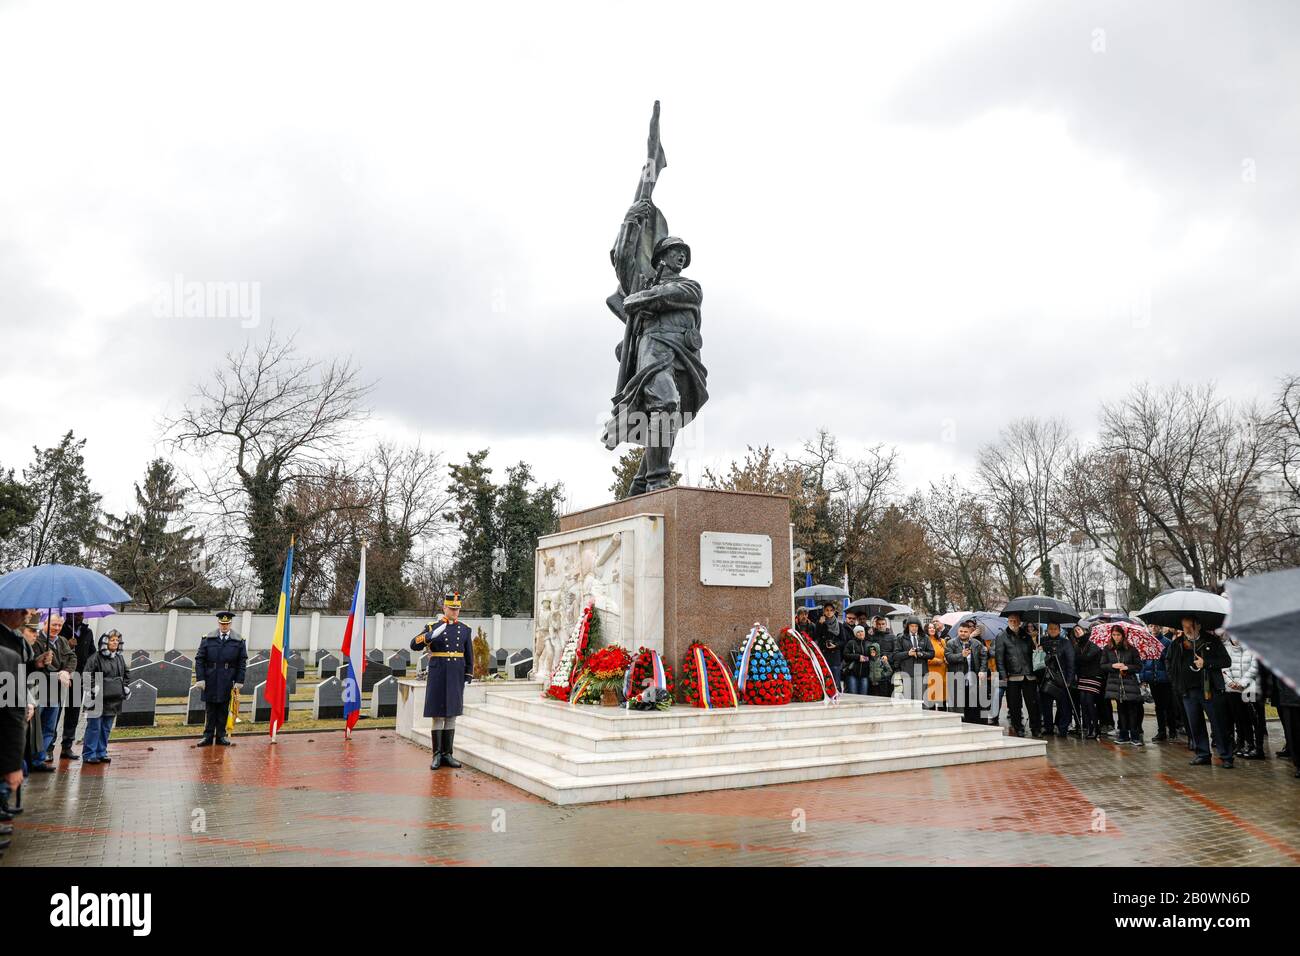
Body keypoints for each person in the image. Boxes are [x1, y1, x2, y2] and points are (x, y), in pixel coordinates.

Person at [411, 592, 474, 769]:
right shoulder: (432, 627)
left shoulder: (465, 629)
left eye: (457, 609)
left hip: (456, 674)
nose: (455, 612)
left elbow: (469, 653)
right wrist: (429, 636)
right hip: (438, 673)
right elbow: (414, 644)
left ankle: (448, 754)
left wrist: (468, 674)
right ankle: (437, 755)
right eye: (452, 608)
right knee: (438, 714)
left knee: (451, 714)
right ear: (444, 608)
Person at [1164, 617, 1233, 768]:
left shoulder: (1212, 641)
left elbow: (1226, 661)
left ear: (1199, 626)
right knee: (1195, 724)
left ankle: (1226, 755)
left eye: (1191, 626)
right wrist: (1176, 681)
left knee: (1218, 724)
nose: (1188, 629)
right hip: (1188, 691)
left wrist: (1206, 663)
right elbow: (1169, 663)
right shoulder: (1177, 643)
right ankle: (1202, 753)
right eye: (1185, 626)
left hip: (1210, 690)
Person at [0, 607, 33, 842]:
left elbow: (12, 714)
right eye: (21, 610)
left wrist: (12, 765)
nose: (26, 615)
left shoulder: (8, 654)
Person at [193, 610, 247, 747]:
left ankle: (221, 736)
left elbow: (242, 662)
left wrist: (239, 680)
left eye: (227, 624)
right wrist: (200, 678)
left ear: (230, 624)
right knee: (210, 709)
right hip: (210, 678)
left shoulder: (238, 640)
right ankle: (208, 736)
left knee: (223, 708)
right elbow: (199, 659)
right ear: (218, 623)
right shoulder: (208, 638)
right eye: (222, 624)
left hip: (227, 678)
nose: (224, 626)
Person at [81, 629, 130, 765]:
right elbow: (86, 674)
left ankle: (101, 752)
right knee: (94, 727)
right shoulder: (95, 657)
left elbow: (126, 673)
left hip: (113, 699)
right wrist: (92, 688)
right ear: (105, 641)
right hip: (96, 698)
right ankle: (89, 754)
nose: (115, 642)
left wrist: (125, 686)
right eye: (112, 640)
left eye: (117, 640)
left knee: (106, 727)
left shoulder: (119, 658)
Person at [34, 613, 75, 768]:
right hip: (39, 692)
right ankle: (28, 760)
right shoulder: (37, 641)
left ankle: (39, 760)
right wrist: (56, 674)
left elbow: (73, 658)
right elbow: (36, 666)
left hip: (56, 693)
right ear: (45, 623)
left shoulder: (63, 641)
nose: (56, 628)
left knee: (49, 729)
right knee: (35, 728)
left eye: (59, 625)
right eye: (54, 624)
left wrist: (66, 672)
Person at [995, 612, 1042, 737]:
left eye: (1016, 620)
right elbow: (999, 657)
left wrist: (1035, 642)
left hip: (1029, 674)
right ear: (1008, 621)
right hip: (1012, 675)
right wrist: (1003, 673)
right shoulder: (1001, 636)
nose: (1013, 622)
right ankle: (1018, 728)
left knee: (1032, 704)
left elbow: (1033, 652)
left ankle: (1035, 728)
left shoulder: (1026, 636)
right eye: (1011, 620)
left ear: (1020, 622)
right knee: (1014, 705)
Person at [57, 612, 94, 761]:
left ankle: (67, 746)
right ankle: (49, 747)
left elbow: (92, 653)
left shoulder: (87, 632)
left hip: (79, 675)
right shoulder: (60, 630)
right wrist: (67, 643)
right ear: (69, 615)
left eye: (81, 614)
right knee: (56, 709)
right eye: (76, 614)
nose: (80, 617)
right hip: (61, 675)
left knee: (73, 711)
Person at [1102, 624, 1144, 745]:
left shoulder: (1131, 649)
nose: (1116, 637)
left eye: (1118, 635)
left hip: (1129, 683)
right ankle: (1123, 734)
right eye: (1114, 635)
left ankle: (1135, 736)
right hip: (1115, 684)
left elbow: (1138, 666)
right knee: (1121, 710)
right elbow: (1102, 665)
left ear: (1123, 635)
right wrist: (1112, 666)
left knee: (1132, 709)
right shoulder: (1107, 649)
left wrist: (1127, 667)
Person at [1222, 634, 1259, 760]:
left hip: (1249, 689)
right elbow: (1224, 668)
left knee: (1250, 717)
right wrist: (1231, 683)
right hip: (1232, 689)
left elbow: (1254, 667)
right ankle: (1241, 743)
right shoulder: (1225, 648)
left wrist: (1243, 683)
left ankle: (1253, 744)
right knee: (1238, 717)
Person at [945, 620, 989, 724]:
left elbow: (984, 658)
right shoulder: (951, 643)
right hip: (958, 678)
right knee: (959, 704)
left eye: (965, 631)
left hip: (973, 679)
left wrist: (982, 670)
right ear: (958, 631)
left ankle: (974, 723)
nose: (963, 633)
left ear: (969, 632)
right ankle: (960, 723)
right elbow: (949, 657)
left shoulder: (976, 643)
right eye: (961, 631)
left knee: (973, 703)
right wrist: (962, 655)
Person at [1141, 628, 1178, 742]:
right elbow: (1143, 661)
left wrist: (1159, 653)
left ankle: (1172, 730)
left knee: (1168, 706)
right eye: (1151, 626)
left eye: (1156, 626)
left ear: (1160, 628)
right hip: (1152, 678)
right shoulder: (1146, 642)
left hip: (1165, 679)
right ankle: (1161, 731)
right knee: (1158, 706)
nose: (1154, 628)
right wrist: (1143, 677)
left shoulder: (1167, 642)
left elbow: (1171, 660)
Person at [1038, 621, 1075, 737]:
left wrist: (1069, 680)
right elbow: (1038, 662)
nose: (1052, 630)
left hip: (1061, 678)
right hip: (1046, 678)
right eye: (1050, 628)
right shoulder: (1042, 641)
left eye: (1055, 628)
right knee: (1046, 706)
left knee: (1064, 706)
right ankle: (1048, 728)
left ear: (1059, 630)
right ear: (1047, 630)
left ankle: (1063, 728)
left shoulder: (1066, 643)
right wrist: (1038, 652)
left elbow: (1071, 662)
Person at [1070, 622, 1102, 739]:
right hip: (1083, 677)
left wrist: (1079, 658)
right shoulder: (1077, 645)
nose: (1077, 632)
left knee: (1089, 701)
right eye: (1075, 631)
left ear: (1084, 630)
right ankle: (1088, 727)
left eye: (1079, 630)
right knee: (1083, 702)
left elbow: (1088, 657)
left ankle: (1095, 727)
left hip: (1094, 676)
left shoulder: (1093, 641)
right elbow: (1077, 660)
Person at [814, 603, 846, 691]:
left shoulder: (839, 625)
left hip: (835, 655)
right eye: (827, 610)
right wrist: (820, 624)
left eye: (831, 610)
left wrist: (835, 645)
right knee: (825, 682)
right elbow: (816, 637)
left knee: (836, 683)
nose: (829, 612)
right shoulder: (820, 623)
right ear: (824, 611)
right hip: (824, 655)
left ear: (834, 611)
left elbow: (843, 640)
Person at [842, 625, 872, 695]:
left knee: (863, 695)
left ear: (864, 632)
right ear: (855, 634)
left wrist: (865, 658)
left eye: (862, 631)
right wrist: (858, 657)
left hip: (864, 674)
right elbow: (845, 655)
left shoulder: (869, 643)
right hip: (852, 673)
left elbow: (872, 657)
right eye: (858, 632)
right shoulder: (851, 643)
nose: (860, 633)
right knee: (853, 695)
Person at [925, 620, 948, 710]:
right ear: (926, 630)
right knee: (932, 697)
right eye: (929, 628)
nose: (932, 629)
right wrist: (935, 661)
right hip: (931, 672)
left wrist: (946, 658)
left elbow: (946, 653)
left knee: (943, 698)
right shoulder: (924, 641)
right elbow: (923, 656)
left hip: (943, 672)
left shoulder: (941, 641)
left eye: (933, 628)